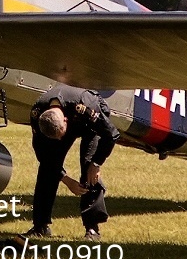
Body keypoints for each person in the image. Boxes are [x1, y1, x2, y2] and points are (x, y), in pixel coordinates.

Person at [25, 84, 120, 242]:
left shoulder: (85, 105)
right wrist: (65, 179)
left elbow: (111, 135)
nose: (61, 140)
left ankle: (92, 227)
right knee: (47, 169)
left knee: (88, 166)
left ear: (65, 120)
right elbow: (43, 154)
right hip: (63, 123)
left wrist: (97, 163)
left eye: (61, 135)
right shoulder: (37, 114)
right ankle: (40, 226)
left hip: (89, 125)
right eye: (57, 138)